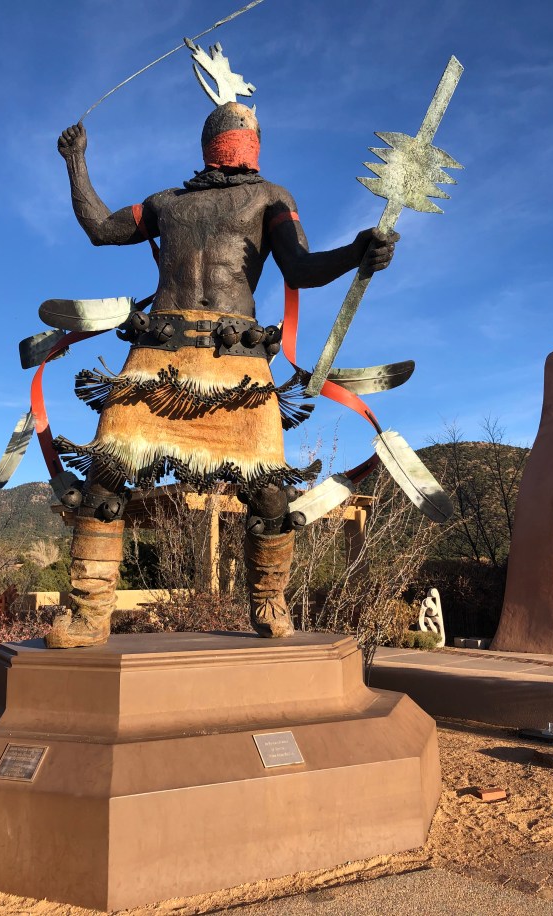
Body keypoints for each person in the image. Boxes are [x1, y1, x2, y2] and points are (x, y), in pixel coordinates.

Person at [46, 101, 398, 648]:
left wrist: (358, 251)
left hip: (236, 358)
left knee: (267, 492)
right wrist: (76, 162)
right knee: (107, 473)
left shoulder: (270, 197)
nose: (234, 133)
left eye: (240, 127)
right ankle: (90, 610)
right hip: (158, 354)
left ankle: (268, 600)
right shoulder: (167, 203)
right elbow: (100, 227)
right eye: (231, 127)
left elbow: (300, 269)